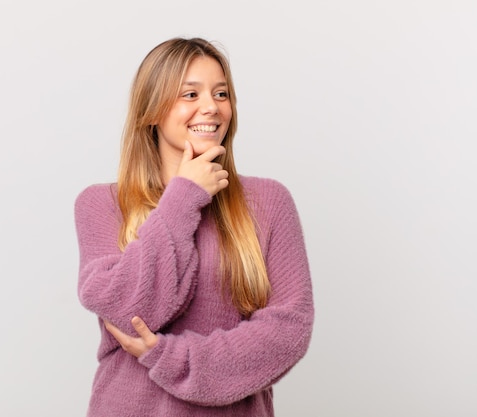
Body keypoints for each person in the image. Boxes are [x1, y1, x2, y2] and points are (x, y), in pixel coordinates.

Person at [74, 37, 314, 416]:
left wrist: (168, 356)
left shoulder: (269, 201)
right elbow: (127, 310)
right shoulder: (102, 204)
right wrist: (184, 196)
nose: (211, 107)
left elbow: (288, 331)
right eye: (190, 94)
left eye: (221, 93)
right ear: (152, 111)